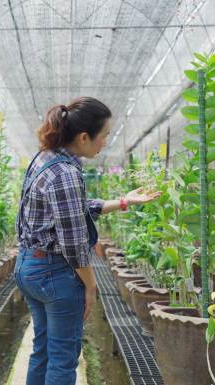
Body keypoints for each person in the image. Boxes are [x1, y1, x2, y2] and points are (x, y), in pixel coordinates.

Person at [15, 96, 161, 385]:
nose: (105, 142)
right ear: (84, 137)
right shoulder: (67, 174)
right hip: (54, 275)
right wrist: (91, 286)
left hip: (29, 266)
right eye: (104, 136)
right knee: (63, 358)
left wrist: (123, 201)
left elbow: (71, 208)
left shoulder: (46, 158)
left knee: (43, 351)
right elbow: (74, 245)